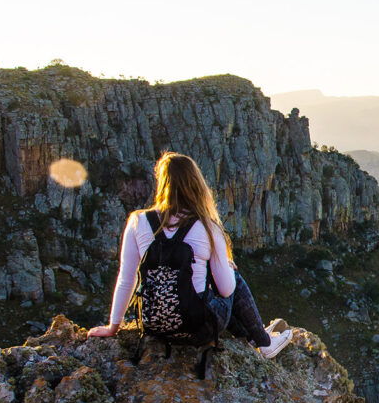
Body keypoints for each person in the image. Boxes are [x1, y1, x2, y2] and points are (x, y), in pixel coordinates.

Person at [87, 152, 292, 358]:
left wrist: (113, 326)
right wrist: (225, 267)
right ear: (196, 184)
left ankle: (255, 337)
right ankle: (264, 342)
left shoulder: (137, 221)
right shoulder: (207, 226)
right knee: (231, 277)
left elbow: (127, 277)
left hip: (154, 327)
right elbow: (227, 289)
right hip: (198, 329)